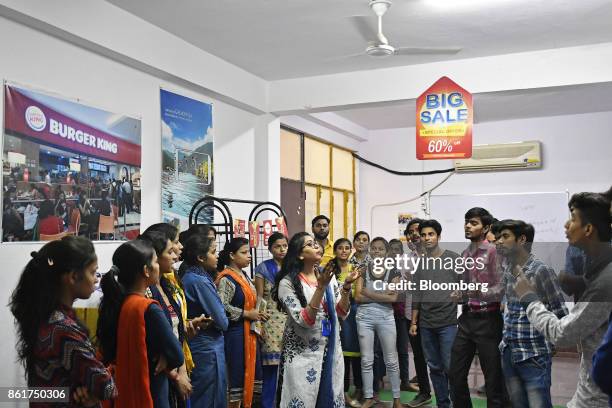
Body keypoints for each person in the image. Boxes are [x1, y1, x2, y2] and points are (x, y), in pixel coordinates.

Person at [514, 192, 612, 408]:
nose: (567, 225)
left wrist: (529, 299)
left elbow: (562, 334)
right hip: (589, 386)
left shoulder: (605, 281)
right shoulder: (598, 266)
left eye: (573, 218)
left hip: (598, 398)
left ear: (588, 229)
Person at [9, 236, 116, 407]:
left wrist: (70, 392)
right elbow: (107, 387)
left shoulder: (46, 316)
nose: (96, 278)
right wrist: (85, 390)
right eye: (92, 272)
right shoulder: (64, 330)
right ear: (73, 277)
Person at [272, 232, 358, 407]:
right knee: (303, 397)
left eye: (316, 243)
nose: (317, 246)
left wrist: (347, 287)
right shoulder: (287, 283)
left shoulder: (328, 276)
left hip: (331, 350)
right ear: (300, 254)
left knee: (330, 396)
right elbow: (304, 320)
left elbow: (341, 312)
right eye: (310, 244)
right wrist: (321, 287)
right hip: (302, 354)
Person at [97, 239, 184, 408]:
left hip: (124, 388)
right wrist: (166, 357)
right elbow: (177, 355)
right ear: (146, 270)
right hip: (152, 390)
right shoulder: (149, 308)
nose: (158, 266)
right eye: (155, 262)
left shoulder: (118, 303)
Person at [493, 220, 568, 407]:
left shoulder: (541, 270)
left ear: (522, 240)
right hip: (510, 351)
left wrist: (553, 343)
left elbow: (560, 311)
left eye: (505, 236)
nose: (498, 241)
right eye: (498, 237)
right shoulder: (508, 271)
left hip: (533, 354)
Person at [450, 207, 504, 408]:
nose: (467, 225)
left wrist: (477, 293)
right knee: (455, 374)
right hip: (467, 320)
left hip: (488, 321)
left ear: (486, 227)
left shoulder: (493, 252)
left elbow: (501, 288)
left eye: (473, 223)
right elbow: (465, 287)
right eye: (466, 221)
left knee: (493, 381)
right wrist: (460, 293)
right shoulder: (465, 253)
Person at [410, 219, 460, 408]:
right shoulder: (420, 264)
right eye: (423, 235)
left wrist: (460, 294)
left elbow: (465, 285)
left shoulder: (453, 259)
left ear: (439, 236)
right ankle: (443, 404)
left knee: (450, 368)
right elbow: (417, 294)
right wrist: (414, 322)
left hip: (447, 323)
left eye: (430, 234)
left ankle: (457, 403)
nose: (426, 238)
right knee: (435, 368)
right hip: (426, 324)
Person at [139, 230, 193, 407]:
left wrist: (182, 370)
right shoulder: (147, 293)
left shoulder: (166, 285)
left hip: (175, 369)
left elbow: (175, 332)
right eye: (169, 252)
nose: (176, 255)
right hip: (161, 375)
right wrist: (176, 375)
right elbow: (153, 346)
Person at [216, 237, 265, 408]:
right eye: (244, 253)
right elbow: (221, 308)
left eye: (249, 252)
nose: (249, 256)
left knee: (251, 377)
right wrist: (246, 314)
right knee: (237, 376)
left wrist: (257, 315)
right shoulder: (226, 278)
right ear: (231, 255)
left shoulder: (244, 276)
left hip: (249, 333)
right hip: (235, 335)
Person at [181, 234, 229, 408]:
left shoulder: (190, 276)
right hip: (208, 347)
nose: (217, 255)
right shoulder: (199, 281)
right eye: (213, 252)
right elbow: (222, 321)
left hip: (200, 345)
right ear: (201, 257)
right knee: (210, 397)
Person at [355, 237, 403, 408]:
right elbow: (357, 296)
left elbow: (395, 297)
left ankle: (397, 399)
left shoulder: (394, 271)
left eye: (380, 249)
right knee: (367, 360)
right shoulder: (362, 270)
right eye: (373, 249)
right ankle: (369, 397)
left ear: (387, 252)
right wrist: (382, 297)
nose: (376, 252)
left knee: (391, 360)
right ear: (370, 251)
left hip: (386, 318)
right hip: (364, 318)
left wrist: (369, 293)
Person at [254, 232, 288, 408]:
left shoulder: (292, 267)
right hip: (271, 320)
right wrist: (259, 322)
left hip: (291, 320)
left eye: (284, 246)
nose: (282, 250)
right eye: (277, 246)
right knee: (272, 368)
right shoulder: (263, 268)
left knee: (289, 368)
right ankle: (268, 404)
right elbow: (259, 297)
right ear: (270, 249)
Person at [402, 219, 432, 408]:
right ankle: (424, 392)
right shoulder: (407, 259)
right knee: (419, 356)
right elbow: (408, 283)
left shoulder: (437, 256)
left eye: (418, 231)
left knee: (438, 358)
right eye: (410, 232)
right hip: (410, 313)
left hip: (434, 314)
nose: (414, 234)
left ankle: (447, 395)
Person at [333, 238, 363, 407]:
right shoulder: (330, 270)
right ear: (335, 250)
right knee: (341, 354)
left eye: (346, 248)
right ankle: (342, 391)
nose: (344, 251)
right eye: (340, 248)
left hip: (355, 314)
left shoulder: (355, 269)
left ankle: (359, 388)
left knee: (357, 352)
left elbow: (359, 293)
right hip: (337, 317)